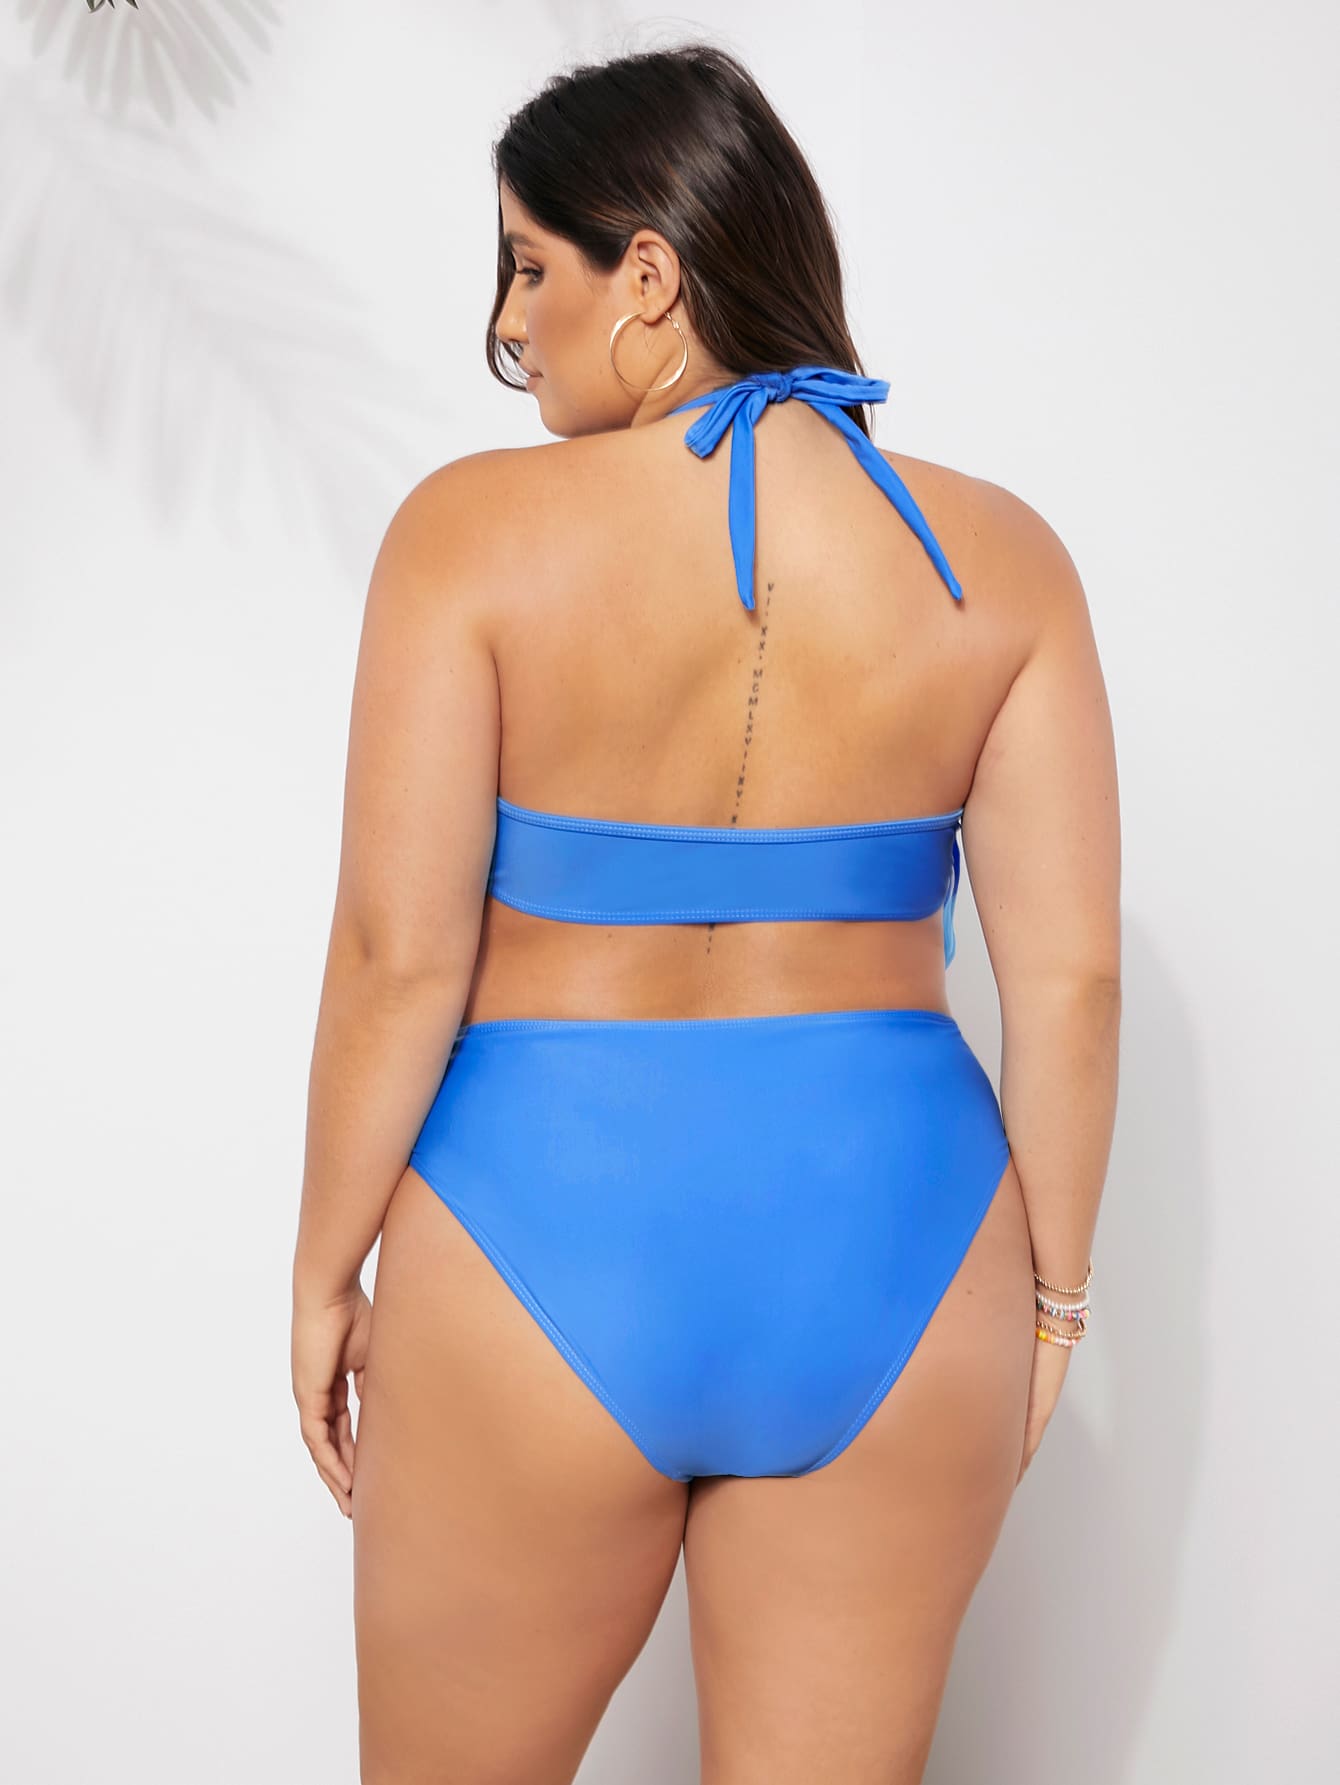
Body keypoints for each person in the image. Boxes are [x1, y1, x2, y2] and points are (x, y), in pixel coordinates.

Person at [290, 41, 1121, 1785]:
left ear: (650, 276)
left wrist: (324, 1265)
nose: (512, 326)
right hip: (902, 1259)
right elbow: (1069, 982)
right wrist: (1052, 1308)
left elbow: (397, 957)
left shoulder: (468, 535)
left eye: (531, 267)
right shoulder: (1002, 559)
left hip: (537, 1239)